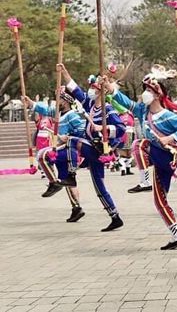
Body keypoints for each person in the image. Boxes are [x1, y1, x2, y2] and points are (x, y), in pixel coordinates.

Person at [107, 65, 177, 249]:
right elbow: (125, 101)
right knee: (159, 201)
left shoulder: (168, 115)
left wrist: (169, 138)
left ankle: (144, 181)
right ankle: (176, 235)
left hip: (167, 158)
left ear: (156, 94)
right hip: (155, 155)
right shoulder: (142, 112)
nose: (143, 93)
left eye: (147, 90)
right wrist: (110, 87)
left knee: (140, 144)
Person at [58, 65, 126, 232]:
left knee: (72, 141)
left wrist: (101, 129)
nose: (89, 90)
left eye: (93, 88)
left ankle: (71, 174)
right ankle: (115, 216)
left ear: (100, 91)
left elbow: (121, 129)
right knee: (99, 186)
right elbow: (76, 91)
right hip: (91, 149)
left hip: (98, 149)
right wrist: (65, 72)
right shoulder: (89, 105)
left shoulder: (107, 110)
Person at [24, 89, 87, 222]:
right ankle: (76, 208)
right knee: (67, 180)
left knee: (42, 155)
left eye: (60, 99)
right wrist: (31, 103)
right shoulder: (58, 113)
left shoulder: (72, 115)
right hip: (61, 148)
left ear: (66, 101)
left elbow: (82, 130)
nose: (57, 101)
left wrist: (69, 136)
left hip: (68, 149)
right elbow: (45, 110)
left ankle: (53, 183)